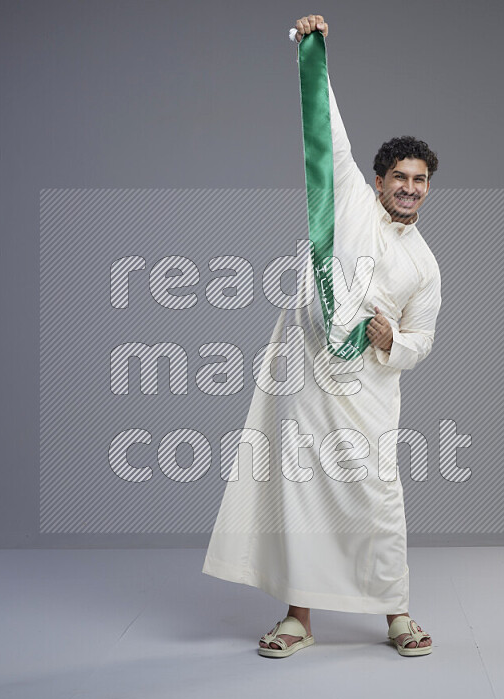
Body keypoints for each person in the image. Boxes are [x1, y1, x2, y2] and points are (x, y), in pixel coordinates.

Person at [201, 14, 442, 658]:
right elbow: (326, 135)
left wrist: (395, 338)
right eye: (401, 178)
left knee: (379, 498)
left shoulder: (425, 265)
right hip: (307, 375)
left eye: (421, 182)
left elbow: (423, 341)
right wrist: (314, 54)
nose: (410, 190)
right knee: (301, 492)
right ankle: (299, 619)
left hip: (367, 389)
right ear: (379, 180)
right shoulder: (352, 209)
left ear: (427, 190)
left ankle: (397, 617)